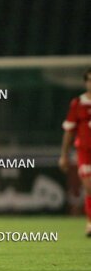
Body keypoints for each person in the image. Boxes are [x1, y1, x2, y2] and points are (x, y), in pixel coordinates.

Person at [60, 68, 91, 236]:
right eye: (89, 80)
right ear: (86, 82)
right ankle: (90, 223)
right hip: (85, 151)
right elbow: (69, 131)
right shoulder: (78, 103)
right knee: (89, 186)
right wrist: (64, 155)